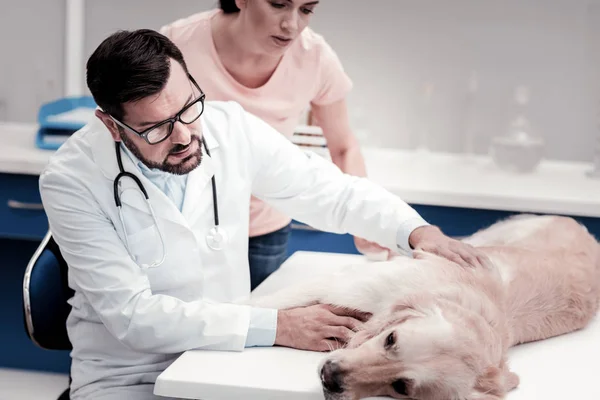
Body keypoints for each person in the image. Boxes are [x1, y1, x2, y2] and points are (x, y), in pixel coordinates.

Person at [39, 29, 490, 399]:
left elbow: (330, 192)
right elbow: (133, 316)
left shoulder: (228, 127)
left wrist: (414, 230)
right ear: (111, 125)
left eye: (188, 108)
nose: (184, 136)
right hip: (126, 377)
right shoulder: (71, 180)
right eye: (156, 127)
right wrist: (278, 326)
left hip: (225, 354)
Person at [160, 0, 386, 290]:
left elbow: (343, 146)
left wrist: (363, 216)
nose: (291, 25)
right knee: (185, 325)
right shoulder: (178, 45)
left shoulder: (315, 58)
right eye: (279, 4)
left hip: (263, 228)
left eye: (306, 10)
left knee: (257, 325)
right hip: (184, 223)